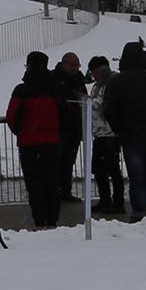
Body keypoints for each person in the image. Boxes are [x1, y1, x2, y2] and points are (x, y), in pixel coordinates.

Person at [100, 38, 146, 215]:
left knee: (137, 177)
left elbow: (109, 109)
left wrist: (119, 128)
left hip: (130, 137)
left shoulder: (117, 81)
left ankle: (140, 212)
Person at [7, 50, 68, 228]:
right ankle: (52, 218)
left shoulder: (22, 90)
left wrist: (21, 131)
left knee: (34, 185)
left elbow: (12, 116)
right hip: (51, 142)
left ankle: (39, 219)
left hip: (29, 143)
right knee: (52, 182)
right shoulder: (54, 88)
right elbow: (64, 112)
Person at [86, 56, 127, 217]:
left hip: (111, 133)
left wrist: (89, 102)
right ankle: (106, 200)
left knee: (112, 168)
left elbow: (106, 104)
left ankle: (116, 202)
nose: (92, 75)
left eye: (94, 72)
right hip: (100, 133)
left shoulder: (112, 84)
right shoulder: (97, 86)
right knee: (99, 168)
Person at [52, 51, 89, 212]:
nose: (75, 69)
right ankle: (56, 192)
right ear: (65, 63)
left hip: (73, 126)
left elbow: (84, 97)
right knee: (58, 160)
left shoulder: (78, 78)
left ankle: (65, 191)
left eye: (77, 66)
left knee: (68, 161)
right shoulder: (54, 78)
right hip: (60, 126)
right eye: (73, 65)